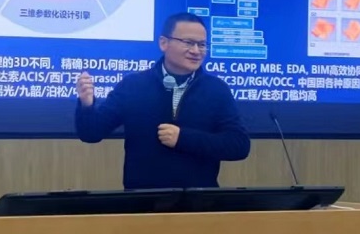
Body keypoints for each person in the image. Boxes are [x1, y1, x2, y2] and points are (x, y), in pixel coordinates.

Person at [75, 12, 250, 189]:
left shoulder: (216, 89)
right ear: (163, 43)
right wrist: (86, 104)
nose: (196, 51)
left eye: (202, 44)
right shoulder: (133, 85)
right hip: (143, 201)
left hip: (198, 200)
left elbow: (239, 145)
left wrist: (183, 138)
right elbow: (91, 133)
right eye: (188, 43)